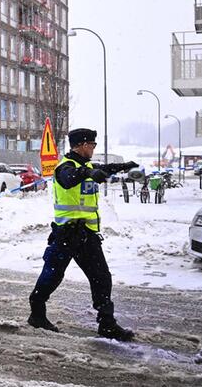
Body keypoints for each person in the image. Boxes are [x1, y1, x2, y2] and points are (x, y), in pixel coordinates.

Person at [27, 128, 139, 341]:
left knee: (102, 278)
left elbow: (102, 168)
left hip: (86, 235)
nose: (94, 148)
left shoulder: (86, 166)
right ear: (80, 145)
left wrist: (123, 167)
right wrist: (89, 173)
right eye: (92, 145)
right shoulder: (64, 168)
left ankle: (107, 324)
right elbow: (69, 178)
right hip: (65, 234)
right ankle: (37, 313)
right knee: (52, 276)